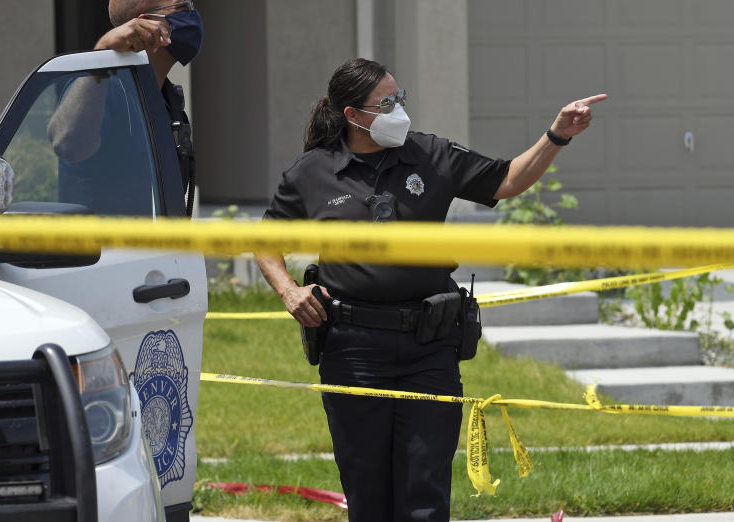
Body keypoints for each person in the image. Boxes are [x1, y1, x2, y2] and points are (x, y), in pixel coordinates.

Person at [255, 58, 606, 521]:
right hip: (353, 350)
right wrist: (289, 292)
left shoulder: (431, 154)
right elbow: (265, 241)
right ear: (352, 116)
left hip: (429, 346)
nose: (400, 110)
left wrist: (557, 134)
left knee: (425, 490)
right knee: (367, 490)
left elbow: (507, 180)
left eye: (401, 98)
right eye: (386, 103)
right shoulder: (312, 172)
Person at [47, 0, 202, 215]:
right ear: (144, 23)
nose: (193, 16)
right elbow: (67, 142)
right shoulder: (103, 87)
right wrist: (102, 54)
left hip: (156, 252)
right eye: (182, 7)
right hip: (105, 253)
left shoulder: (165, 98)